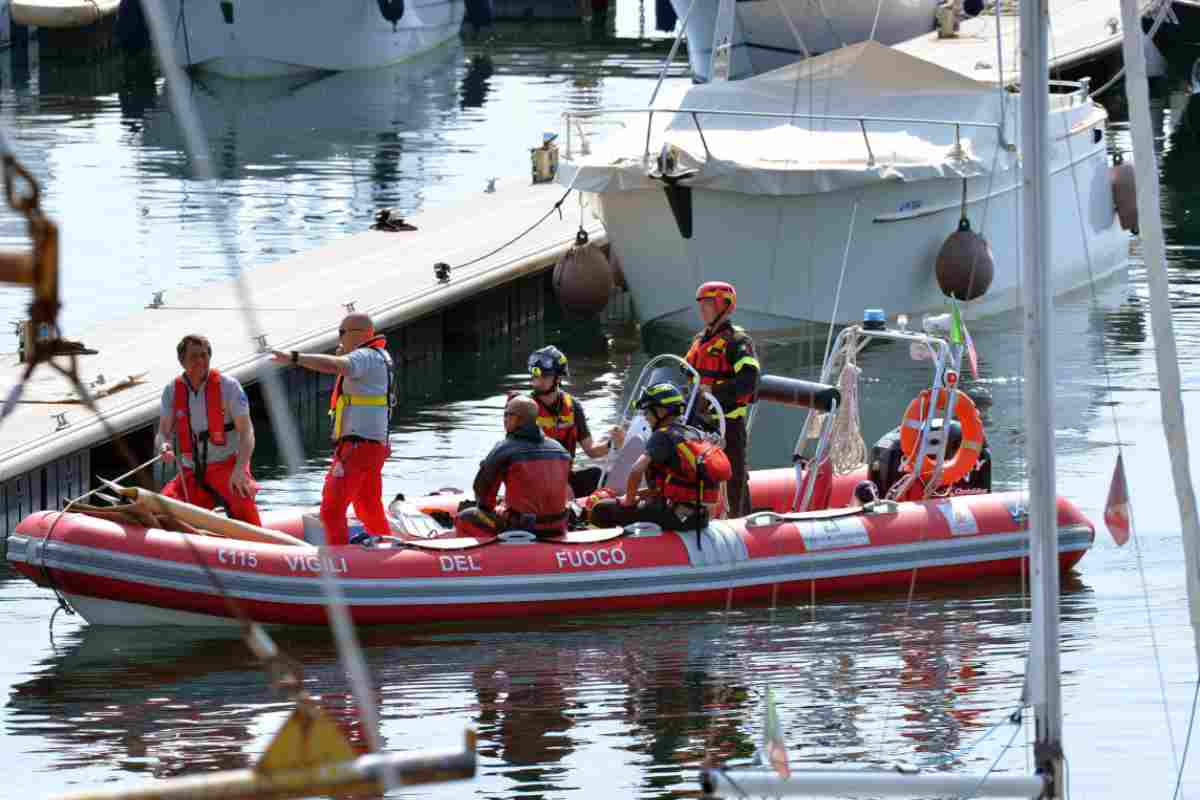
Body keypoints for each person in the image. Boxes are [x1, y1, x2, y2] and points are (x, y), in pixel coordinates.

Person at [270, 312, 393, 546]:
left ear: (356, 335)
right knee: (367, 504)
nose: (339, 339)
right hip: (374, 446)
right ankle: (386, 549)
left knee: (332, 509)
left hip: (357, 447)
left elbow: (335, 364)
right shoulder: (379, 357)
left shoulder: (364, 357)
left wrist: (294, 357)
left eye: (341, 333)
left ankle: (339, 558)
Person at [589, 383, 729, 531]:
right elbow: (669, 483)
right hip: (698, 518)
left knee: (601, 509)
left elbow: (637, 470)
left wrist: (628, 502)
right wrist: (638, 495)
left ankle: (601, 548)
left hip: (677, 517)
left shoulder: (662, 435)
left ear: (661, 411)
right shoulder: (694, 433)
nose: (646, 417)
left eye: (648, 412)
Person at [157, 334, 263, 526]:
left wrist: (240, 469)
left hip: (227, 466)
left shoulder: (230, 387)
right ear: (182, 362)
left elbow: (247, 433)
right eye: (194, 356)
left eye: (204, 355)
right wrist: (164, 446)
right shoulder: (171, 391)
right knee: (163, 509)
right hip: (192, 470)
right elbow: (163, 433)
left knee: (243, 502)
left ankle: (260, 548)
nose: (200, 361)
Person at [685, 281, 760, 517]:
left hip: (729, 424)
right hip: (699, 422)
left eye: (708, 303)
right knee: (696, 471)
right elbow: (687, 373)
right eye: (701, 304)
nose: (703, 309)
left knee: (734, 477)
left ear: (723, 305)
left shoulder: (738, 342)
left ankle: (741, 522)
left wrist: (713, 392)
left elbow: (749, 382)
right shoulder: (700, 341)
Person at [457, 395, 572, 539]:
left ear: (522, 419)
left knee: (465, 516)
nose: (504, 419)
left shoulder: (504, 449)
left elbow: (484, 498)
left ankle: (479, 558)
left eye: (508, 414)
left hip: (523, 529)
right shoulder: (560, 449)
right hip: (558, 527)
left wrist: (493, 508)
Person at [526, 345, 625, 499]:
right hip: (535, 481)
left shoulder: (573, 407)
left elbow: (591, 450)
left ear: (558, 378)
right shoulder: (524, 407)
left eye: (544, 377)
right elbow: (520, 457)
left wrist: (613, 443)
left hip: (563, 477)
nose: (537, 381)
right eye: (534, 377)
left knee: (599, 476)